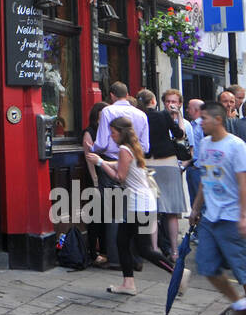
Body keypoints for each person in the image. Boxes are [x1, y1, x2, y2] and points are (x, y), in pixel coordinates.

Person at [188, 102, 246, 315]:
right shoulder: (204, 144)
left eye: (204, 119)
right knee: (206, 266)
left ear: (218, 120)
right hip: (211, 216)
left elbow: (244, 184)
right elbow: (205, 177)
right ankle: (239, 304)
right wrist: (196, 207)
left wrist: (244, 217)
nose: (201, 123)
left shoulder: (236, 146)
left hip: (234, 217)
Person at [86, 116, 173, 296]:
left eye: (113, 132)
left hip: (140, 204)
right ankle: (128, 283)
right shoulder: (132, 147)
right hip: (142, 203)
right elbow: (121, 165)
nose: (111, 136)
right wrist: (104, 161)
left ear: (121, 132)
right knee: (122, 241)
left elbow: (119, 177)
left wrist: (100, 163)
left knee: (145, 249)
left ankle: (177, 273)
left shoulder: (125, 149)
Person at [143, 89, 189, 261]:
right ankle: (175, 252)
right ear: (156, 101)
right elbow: (180, 135)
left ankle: (155, 250)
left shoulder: (141, 116)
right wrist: (179, 118)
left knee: (152, 210)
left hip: (148, 163)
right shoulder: (164, 116)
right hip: (168, 163)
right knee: (171, 212)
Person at [82, 101, 111, 265]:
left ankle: (105, 251)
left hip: (107, 175)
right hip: (96, 178)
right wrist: (94, 180)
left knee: (105, 217)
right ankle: (93, 253)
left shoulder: (107, 130)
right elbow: (89, 159)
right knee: (95, 218)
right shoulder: (90, 132)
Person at [185, 98, 206, 205]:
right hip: (191, 168)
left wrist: (197, 165)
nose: (187, 110)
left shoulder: (202, 126)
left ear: (197, 110)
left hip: (198, 168)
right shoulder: (191, 125)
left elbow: (205, 146)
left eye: (189, 108)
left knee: (201, 202)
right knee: (194, 201)